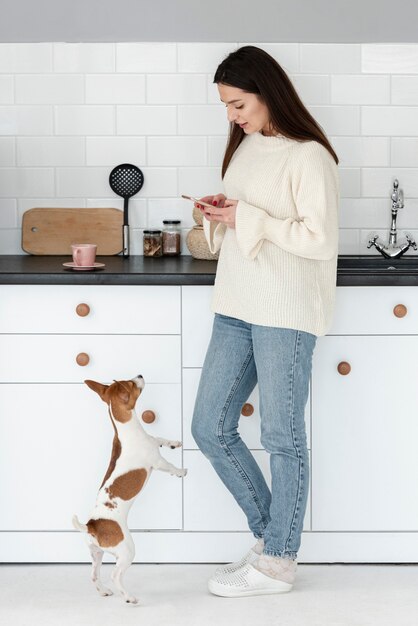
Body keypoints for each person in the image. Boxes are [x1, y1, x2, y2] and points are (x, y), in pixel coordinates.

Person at [191, 45, 340, 598]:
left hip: (285, 309)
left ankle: (277, 559)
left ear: (267, 92)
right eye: (227, 107)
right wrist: (217, 214)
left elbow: (320, 239)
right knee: (210, 426)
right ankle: (273, 542)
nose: (232, 116)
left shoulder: (310, 158)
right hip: (236, 302)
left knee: (282, 436)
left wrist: (246, 216)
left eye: (238, 104)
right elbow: (243, 224)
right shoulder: (246, 148)